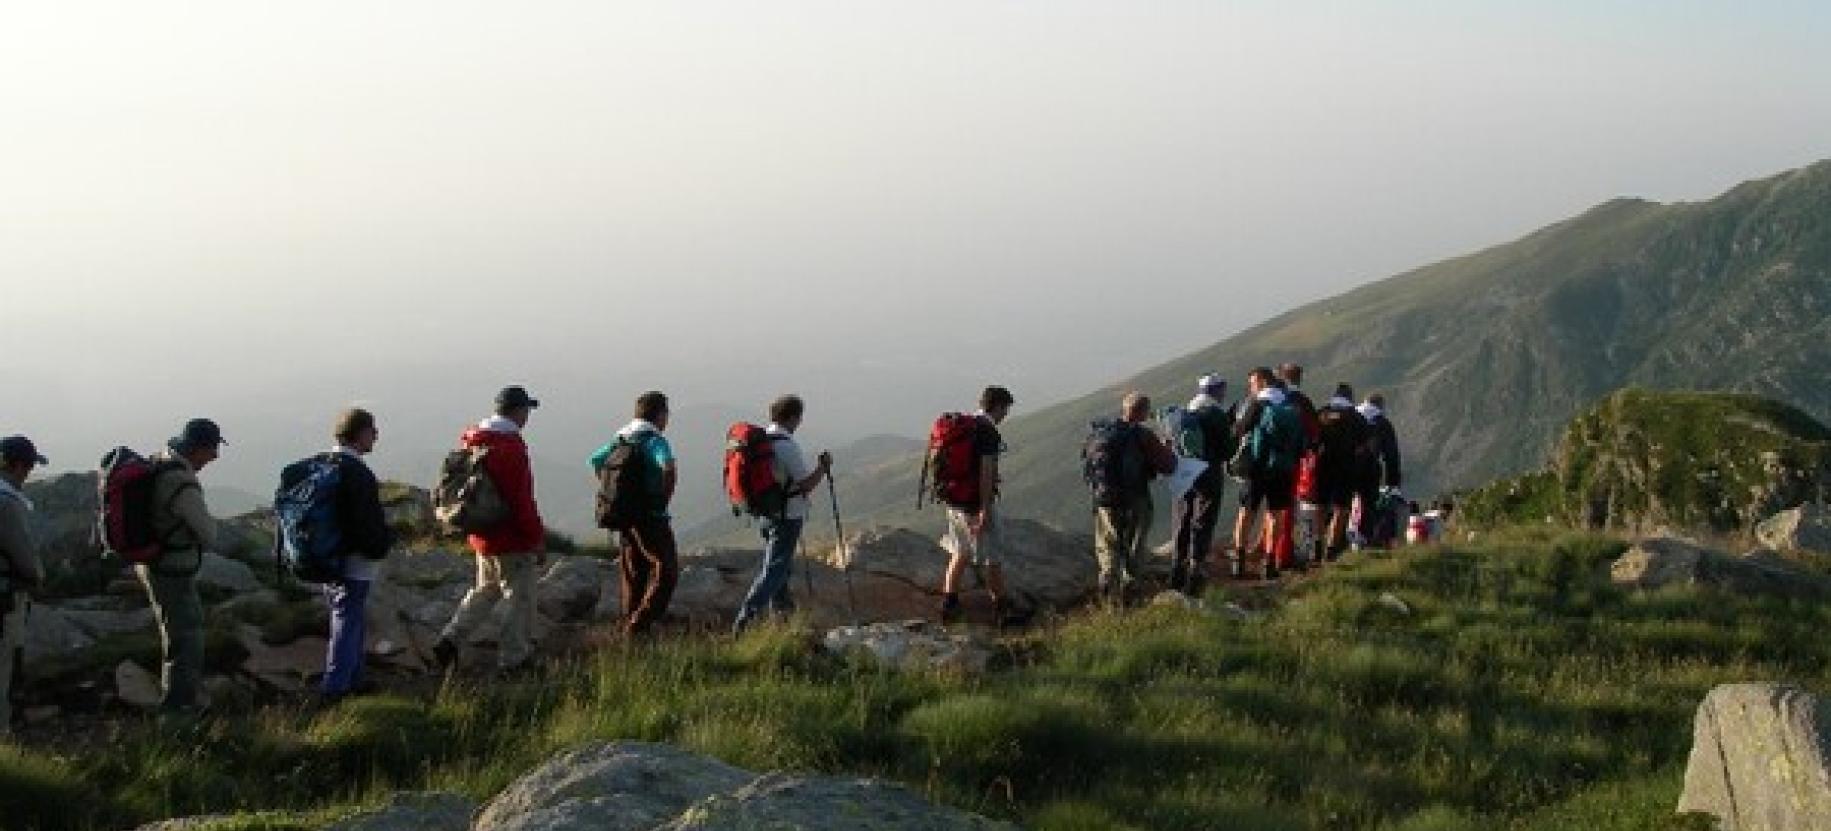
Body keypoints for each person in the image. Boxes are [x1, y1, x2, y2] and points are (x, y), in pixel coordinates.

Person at [433, 386, 546, 673]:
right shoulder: (510, 448)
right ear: (518, 412)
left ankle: (450, 638)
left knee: (485, 590)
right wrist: (535, 539)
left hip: (482, 534)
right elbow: (521, 500)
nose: (527, 417)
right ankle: (514, 660)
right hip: (510, 539)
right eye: (526, 411)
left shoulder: (474, 441)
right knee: (518, 599)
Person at [141, 418, 224, 714]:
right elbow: (208, 533)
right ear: (198, 448)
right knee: (187, 638)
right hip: (172, 568)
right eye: (212, 450)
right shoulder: (181, 481)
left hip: (152, 562)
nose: (214, 458)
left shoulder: (159, 461)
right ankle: (179, 708)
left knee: (174, 632)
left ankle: (177, 701)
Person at [733, 395, 832, 633]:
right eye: (799, 417)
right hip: (787, 516)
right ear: (792, 417)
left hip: (766, 513)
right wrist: (823, 468)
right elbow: (806, 484)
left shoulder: (762, 442)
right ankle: (745, 621)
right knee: (775, 570)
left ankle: (782, 618)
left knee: (780, 568)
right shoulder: (786, 445)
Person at [318, 409, 396, 704]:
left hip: (327, 556)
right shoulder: (357, 472)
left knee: (347, 616)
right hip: (355, 560)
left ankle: (353, 678)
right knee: (348, 619)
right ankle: (335, 687)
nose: (375, 435)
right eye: (372, 430)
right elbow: (366, 523)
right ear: (359, 433)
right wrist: (382, 545)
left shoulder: (326, 464)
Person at [589, 390, 680, 638]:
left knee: (633, 573)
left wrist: (616, 493)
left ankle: (629, 625)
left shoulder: (621, 439)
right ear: (660, 415)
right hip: (651, 517)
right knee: (667, 570)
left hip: (624, 515)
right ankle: (639, 624)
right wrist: (663, 500)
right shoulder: (654, 440)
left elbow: (596, 461)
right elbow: (668, 467)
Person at [938, 386, 1019, 625]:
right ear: (998, 406)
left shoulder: (964, 426)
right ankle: (1003, 609)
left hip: (955, 500)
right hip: (976, 502)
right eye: (1005, 409)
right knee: (992, 555)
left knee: (960, 550)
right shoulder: (987, 432)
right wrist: (984, 507)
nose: (1005, 415)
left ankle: (949, 605)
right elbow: (985, 472)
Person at [1089, 391, 1177, 605]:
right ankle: (1131, 591)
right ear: (1144, 412)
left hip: (1105, 500)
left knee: (1108, 544)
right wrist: (1167, 448)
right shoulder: (1142, 435)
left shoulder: (1101, 432)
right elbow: (1168, 466)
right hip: (1135, 498)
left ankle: (1108, 582)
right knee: (1136, 544)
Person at [1167, 375, 1235, 595]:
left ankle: (1177, 567)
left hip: (1183, 472)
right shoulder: (1216, 414)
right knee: (1204, 517)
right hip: (1208, 472)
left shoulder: (1184, 412)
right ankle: (1196, 568)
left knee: (1182, 517)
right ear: (1217, 391)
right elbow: (1228, 451)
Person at [1229, 369, 1298, 580]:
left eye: (1252, 383)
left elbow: (1238, 430)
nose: (1251, 387)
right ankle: (1269, 563)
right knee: (1275, 515)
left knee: (1246, 512)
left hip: (1257, 468)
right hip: (1283, 469)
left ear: (1262, 381)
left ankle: (1238, 560)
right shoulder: (1289, 405)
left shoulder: (1257, 404)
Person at [0, 436, 48, 736]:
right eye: (29, 466)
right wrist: (39, 578)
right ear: (17, 465)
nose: (29, 474)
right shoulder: (7, 503)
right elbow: (26, 560)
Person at [1274, 363, 1322, 571]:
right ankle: (1283, 554)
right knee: (1287, 508)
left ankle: (1270, 551)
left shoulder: (1276, 399)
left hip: (1269, 461)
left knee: (1272, 509)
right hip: (1293, 462)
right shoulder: (1303, 403)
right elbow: (1314, 434)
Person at [1315, 383, 1370, 561]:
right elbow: (1363, 447)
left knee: (1321, 506)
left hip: (1323, 466)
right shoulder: (1357, 418)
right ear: (1350, 398)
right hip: (1346, 468)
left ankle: (1317, 545)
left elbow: (1312, 440)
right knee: (1341, 508)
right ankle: (1331, 549)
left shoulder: (1322, 413)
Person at [1354, 392, 1404, 548]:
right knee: (1368, 505)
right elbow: (1391, 455)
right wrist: (1393, 482)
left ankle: (1339, 539)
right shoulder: (1382, 423)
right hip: (1369, 469)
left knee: (1343, 506)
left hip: (1344, 467)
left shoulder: (1351, 416)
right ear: (1380, 406)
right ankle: (1363, 539)